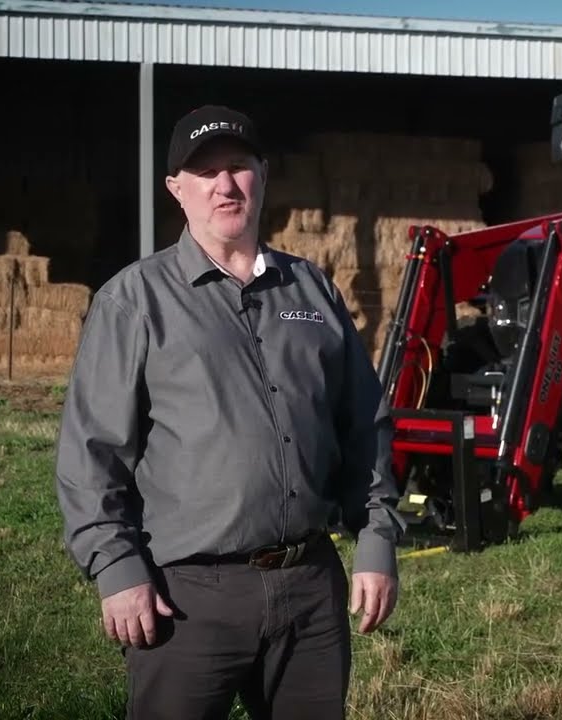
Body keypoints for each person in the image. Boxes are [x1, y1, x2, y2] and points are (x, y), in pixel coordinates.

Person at [54, 104, 404, 719]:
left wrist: (376, 540)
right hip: (187, 598)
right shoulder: (134, 300)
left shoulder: (311, 289)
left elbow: (363, 425)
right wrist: (117, 567)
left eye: (238, 166)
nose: (225, 185)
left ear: (262, 174)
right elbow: (92, 451)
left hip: (310, 588)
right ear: (176, 188)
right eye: (205, 171)